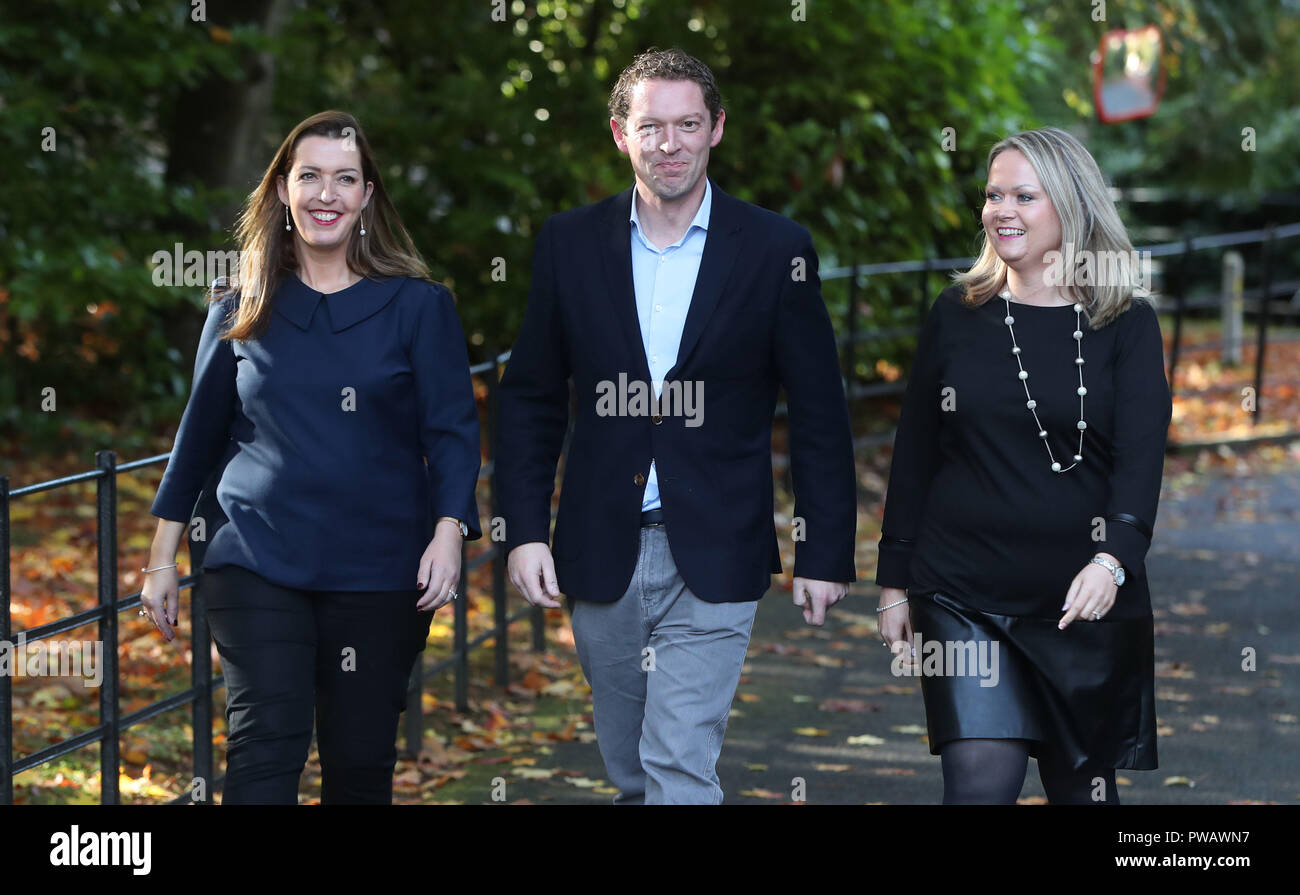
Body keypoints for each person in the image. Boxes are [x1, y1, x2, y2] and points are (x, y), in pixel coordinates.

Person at [495, 48, 857, 805]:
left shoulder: (774, 250)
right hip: (601, 549)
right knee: (633, 774)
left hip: (718, 548)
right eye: (651, 125)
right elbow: (530, 396)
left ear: (716, 129)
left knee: (679, 766)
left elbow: (819, 410)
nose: (671, 143)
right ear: (621, 134)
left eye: (688, 124)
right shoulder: (569, 244)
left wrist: (823, 549)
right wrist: (524, 528)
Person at [141, 111, 482, 804]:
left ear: (367, 198)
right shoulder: (242, 307)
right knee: (265, 745)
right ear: (282, 192)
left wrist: (451, 532)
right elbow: (197, 441)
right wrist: (160, 560)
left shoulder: (419, 307)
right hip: (254, 557)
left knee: (358, 763)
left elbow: (451, 431)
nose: (326, 193)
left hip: (382, 567)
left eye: (345, 179)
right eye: (310, 177)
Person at [876, 127, 1171, 804]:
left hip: (1082, 600)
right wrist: (894, 579)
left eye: (1023, 196)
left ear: (1069, 206)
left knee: (1081, 792)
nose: (999, 210)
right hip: (962, 592)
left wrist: (1113, 558)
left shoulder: (1127, 323)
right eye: (992, 195)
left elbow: (1140, 462)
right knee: (979, 780)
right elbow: (915, 456)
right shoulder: (956, 314)